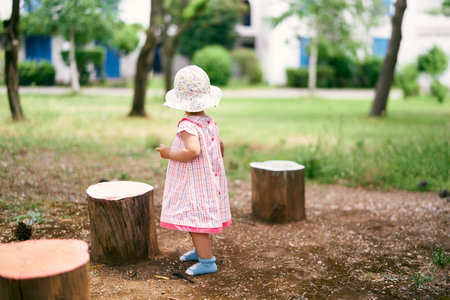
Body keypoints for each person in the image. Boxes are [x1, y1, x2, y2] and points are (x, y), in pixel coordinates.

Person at [156, 65, 232, 276]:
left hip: (195, 183)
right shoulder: (209, 122)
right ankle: (201, 252)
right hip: (207, 180)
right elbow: (220, 146)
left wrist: (169, 153)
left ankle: (207, 262)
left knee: (197, 222)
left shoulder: (188, 125)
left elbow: (193, 151)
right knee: (196, 219)